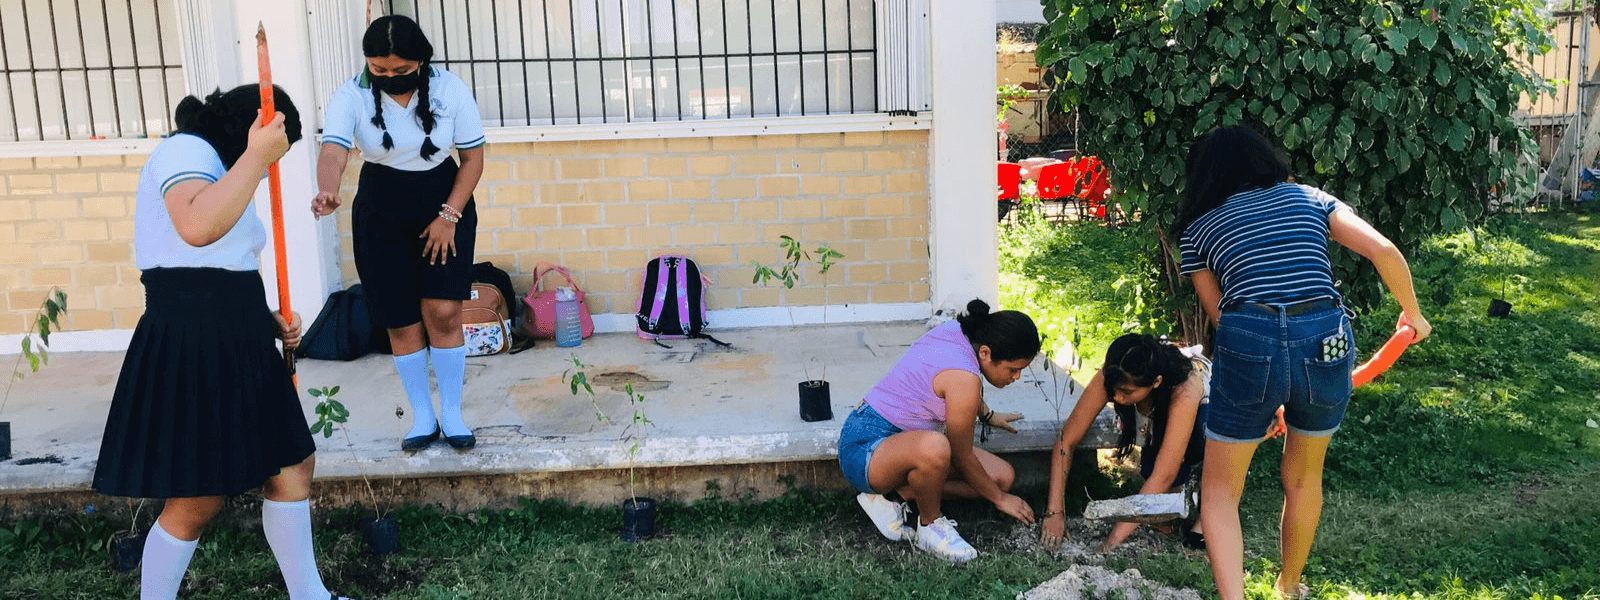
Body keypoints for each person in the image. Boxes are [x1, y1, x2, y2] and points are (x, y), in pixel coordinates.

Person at [91, 85, 351, 600]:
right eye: (277, 144)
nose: (274, 161)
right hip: (193, 341)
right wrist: (257, 158)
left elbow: (223, 262)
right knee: (197, 496)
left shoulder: (223, 166)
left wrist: (264, 318)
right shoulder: (184, 151)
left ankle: (309, 595)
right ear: (251, 129)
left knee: (291, 464)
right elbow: (197, 227)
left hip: (239, 335)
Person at [1175, 126, 1432, 600]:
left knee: (1218, 493)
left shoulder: (1199, 229)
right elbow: (1383, 249)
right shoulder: (1309, 198)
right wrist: (1413, 315)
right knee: (1303, 476)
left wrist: (1267, 385)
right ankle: (1288, 586)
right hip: (1325, 337)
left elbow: (1222, 317)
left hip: (1250, 338)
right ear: (1263, 159)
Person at [312, 15, 487, 452]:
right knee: (399, 318)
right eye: (379, 70)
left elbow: (472, 159)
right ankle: (422, 418)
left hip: (444, 199)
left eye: (400, 70)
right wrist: (328, 189)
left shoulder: (450, 89)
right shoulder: (351, 93)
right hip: (381, 210)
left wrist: (449, 217)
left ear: (420, 61)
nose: (389, 78)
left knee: (444, 311)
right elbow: (333, 149)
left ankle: (452, 412)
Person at [837, 299, 1040, 563]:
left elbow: (955, 384)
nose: (1016, 377)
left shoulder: (958, 334)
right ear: (986, 353)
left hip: (903, 445)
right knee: (937, 448)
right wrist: (1000, 500)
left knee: (1001, 476)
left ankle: (892, 499)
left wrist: (987, 415)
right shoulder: (964, 377)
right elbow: (961, 454)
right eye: (1013, 369)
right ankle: (930, 525)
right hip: (865, 446)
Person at [1041, 333, 1264, 552]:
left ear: (1156, 382)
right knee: (1154, 476)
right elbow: (1065, 442)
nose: (1117, 398)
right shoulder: (1113, 376)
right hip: (1159, 416)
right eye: (1113, 391)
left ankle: (1211, 504)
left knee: (1195, 443)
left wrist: (1110, 543)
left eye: (1127, 392)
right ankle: (1175, 497)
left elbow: (1164, 474)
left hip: (1211, 416)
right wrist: (1055, 512)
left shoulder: (1185, 389)